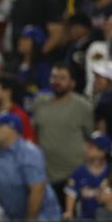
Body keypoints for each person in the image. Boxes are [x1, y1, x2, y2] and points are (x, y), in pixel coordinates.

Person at [0, 112, 62, 221]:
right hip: (12, 216)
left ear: (12, 130)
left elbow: (37, 189)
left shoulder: (29, 152)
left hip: (43, 215)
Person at [32, 63, 94, 201]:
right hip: (47, 176)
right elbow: (34, 135)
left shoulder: (83, 106)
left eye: (62, 78)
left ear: (72, 83)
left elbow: (92, 139)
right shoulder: (39, 104)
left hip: (75, 175)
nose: (56, 82)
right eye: (54, 77)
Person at [64, 133, 111, 219]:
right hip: (84, 221)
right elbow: (71, 192)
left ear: (102, 152)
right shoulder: (79, 171)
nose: (86, 149)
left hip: (107, 220)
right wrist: (69, 212)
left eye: (91, 147)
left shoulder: (111, 172)